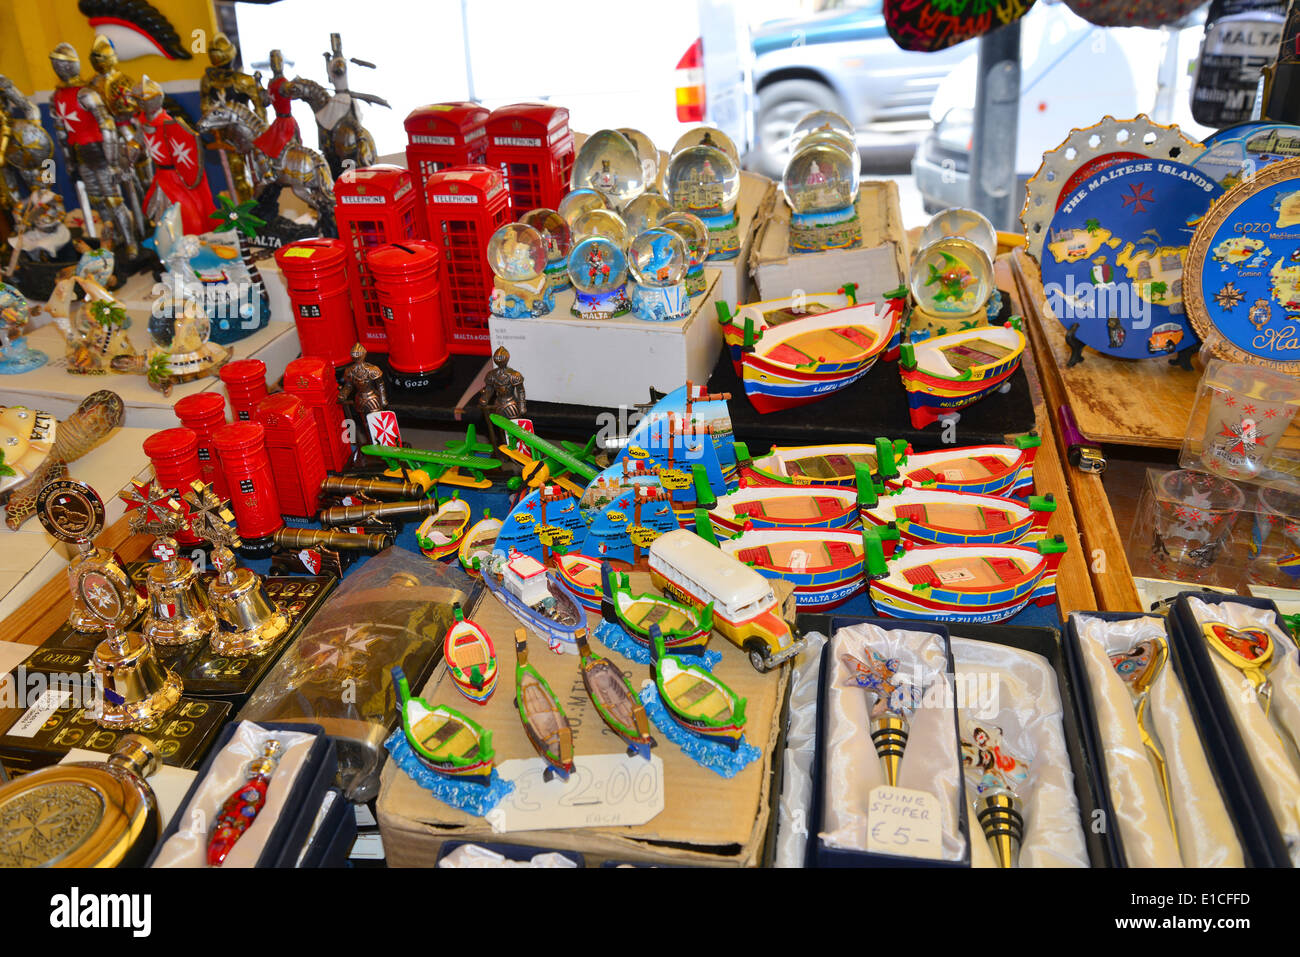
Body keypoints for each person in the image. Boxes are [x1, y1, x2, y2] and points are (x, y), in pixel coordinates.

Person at [48, 43, 139, 261]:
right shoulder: (56, 97)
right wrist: (70, 162)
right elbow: (62, 133)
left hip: (101, 153)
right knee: (98, 201)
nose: (59, 67)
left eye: (62, 63)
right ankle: (112, 241)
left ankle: (131, 244)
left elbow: (107, 125)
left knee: (114, 201)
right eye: (55, 63)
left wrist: (113, 161)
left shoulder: (86, 93)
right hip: (82, 156)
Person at [134, 75, 216, 235]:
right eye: (139, 100)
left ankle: (189, 240)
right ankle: (168, 240)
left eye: (147, 99)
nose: (143, 103)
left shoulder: (169, 124)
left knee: (187, 213)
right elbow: (138, 142)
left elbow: (186, 149)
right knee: (162, 215)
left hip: (177, 178)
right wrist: (131, 150)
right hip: (161, 177)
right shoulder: (143, 123)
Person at [253, 50, 300, 161]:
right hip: (278, 123)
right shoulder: (271, 83)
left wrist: (294, 86)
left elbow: (290, 92)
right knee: (262, 147)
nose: (276, 64)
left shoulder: (284, 83)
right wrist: (258, 82)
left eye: (278, 60)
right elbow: (265, 102)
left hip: (286, 124)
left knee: (284, 154)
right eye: (273, 61)